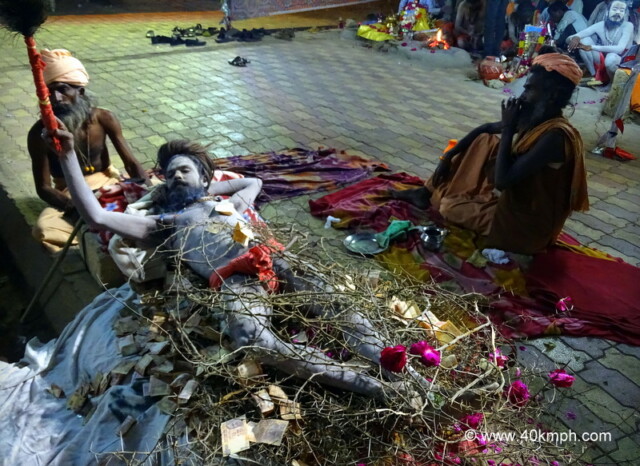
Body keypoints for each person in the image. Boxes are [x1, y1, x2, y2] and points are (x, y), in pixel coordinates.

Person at [41, 126, 399, 399]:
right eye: (169, 175)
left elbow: (253, 180)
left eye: (184, 170)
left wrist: (209, 191)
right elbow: (96, 217)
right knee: (251, 338)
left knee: (335, 303)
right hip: (236, 280)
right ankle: (367, 384)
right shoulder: (164, 225)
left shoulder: (230, 205)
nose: (175, 177)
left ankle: (393, 363)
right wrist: (69, 154)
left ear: (205, 178)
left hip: (274, 257)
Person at [392, 52, 589, 255]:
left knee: (449, 206)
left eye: (530, 90)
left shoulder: (555, 136)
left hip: (525, 227)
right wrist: (447, 158)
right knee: (485, 140)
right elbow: (485, 128)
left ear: (551, 96)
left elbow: (503, 181)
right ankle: (426, 191)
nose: (522, 96)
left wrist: (510, 128)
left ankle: (440, 195)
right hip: (510, 203)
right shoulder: (537, 119)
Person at [28, 49, 148, 252]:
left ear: (80, 91)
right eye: (49, 92)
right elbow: (44, 188)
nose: (56, 98)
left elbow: (131, 163)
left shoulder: (104, 118)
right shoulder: (39, 133)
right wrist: (77, 210)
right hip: (69, 191)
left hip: (108, 182)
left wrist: (148, 190)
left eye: (63, 89)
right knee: (43, 229)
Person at [568, 0, 634, 81]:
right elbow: (570, 38)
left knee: (611, 58)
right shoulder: (601, 25)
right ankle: (595, 76)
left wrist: (591, 47)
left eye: (621, 11)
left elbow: (620, 49)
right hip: (603, 61)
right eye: (614, 9)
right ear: (607, 11)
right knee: (584, 40)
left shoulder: (628, 26)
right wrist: (576, 37)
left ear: (624, 14)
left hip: (621, 62)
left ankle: (611, 84)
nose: (618, 13)